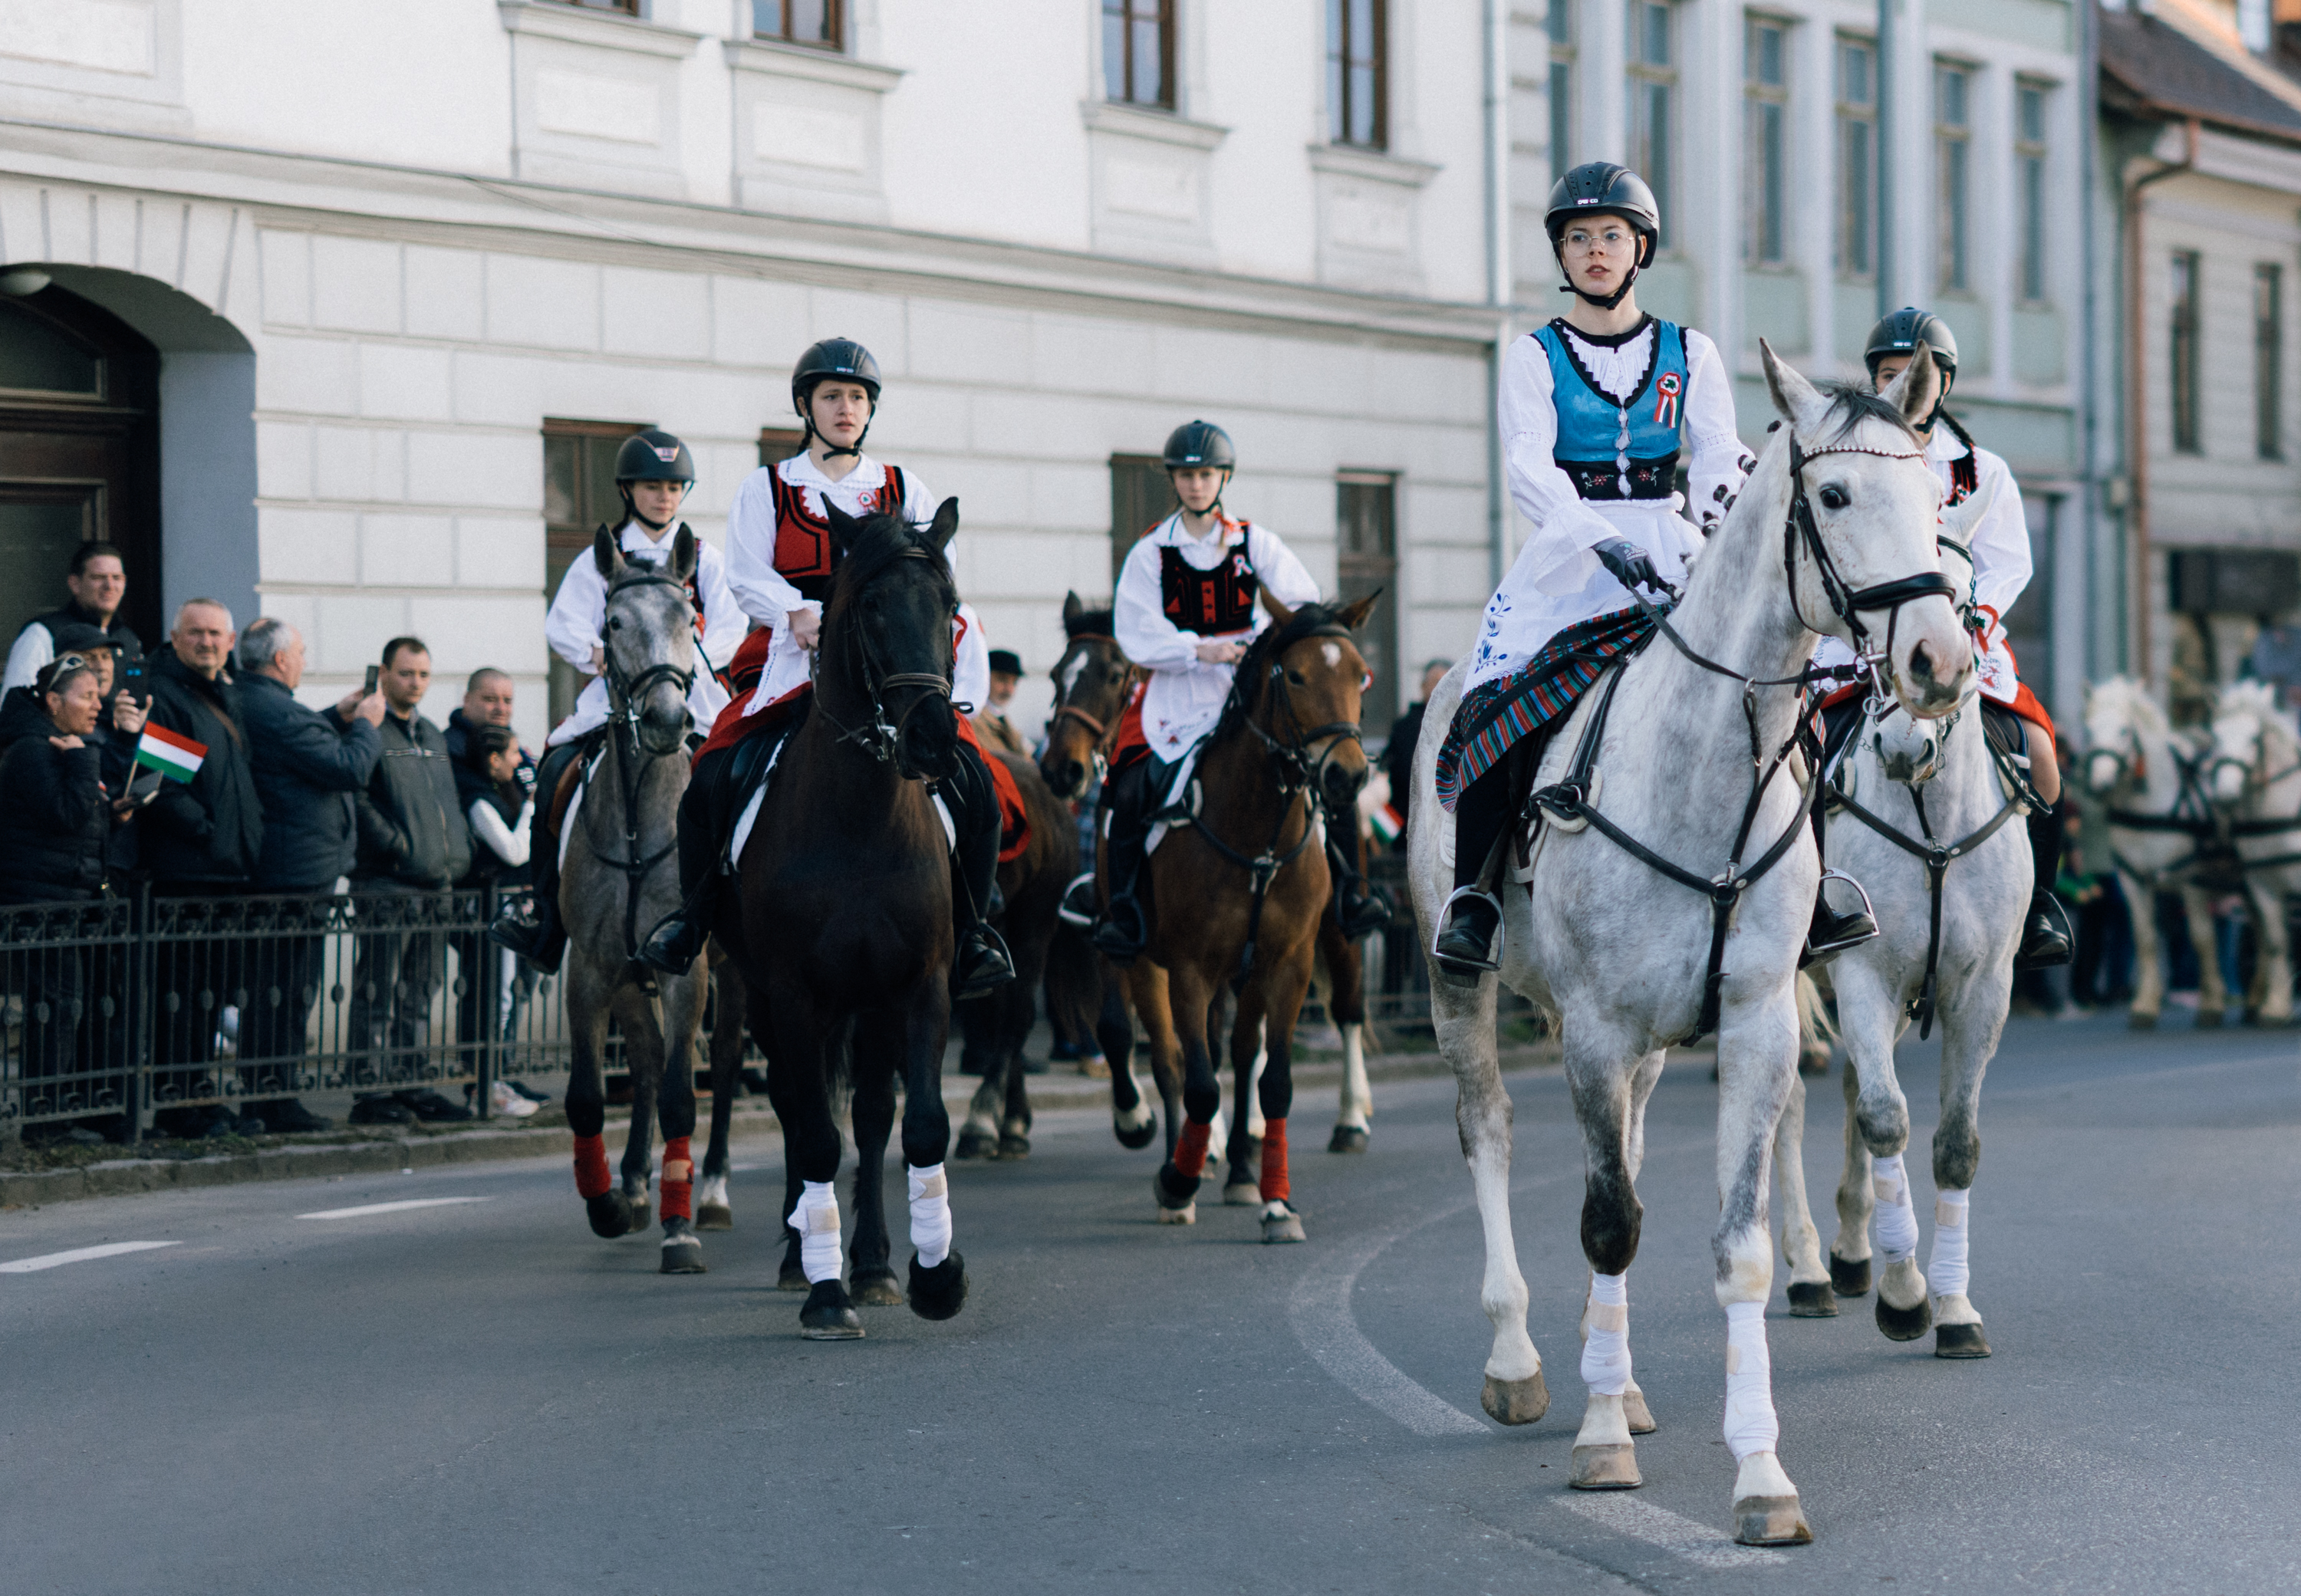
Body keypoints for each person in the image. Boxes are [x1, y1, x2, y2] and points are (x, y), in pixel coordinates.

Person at [1427, 163, 1777, 975]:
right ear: (1562, 252)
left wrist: (1726, 528)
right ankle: (1474, 896)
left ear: (1639, 249)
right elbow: (1528, 466)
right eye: (1579, 237)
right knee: (1498, 698)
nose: (1595, 250)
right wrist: (1599, 540)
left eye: (1612, 236)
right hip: (1567, 562)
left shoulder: (1690, 351)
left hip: (1670, 544)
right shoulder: (1533, 354)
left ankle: (1810, 882)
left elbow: (1717, 456)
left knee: (1775, 681)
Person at [634, 339, 1014, 997]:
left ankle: (974, 930)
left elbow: (931, 576)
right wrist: (794, 612)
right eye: (832, 396)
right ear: (805, 406)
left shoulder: (904, 487)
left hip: (889, 672)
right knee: (711, 776)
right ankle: (693, 919)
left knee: (979, 780)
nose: (846, 408)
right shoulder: (768, 487)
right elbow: (745, 574)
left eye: (858, 397)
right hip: (791, 662)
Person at [1814, 308, 2070, 969]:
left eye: (1916, 374)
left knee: (2042, 753)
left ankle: (2039, 902)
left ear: (1942, 384)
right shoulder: (1853, 458)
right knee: (1804, 749)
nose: (1901, 385)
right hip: (1866, 640)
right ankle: (1811, 899)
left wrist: (1974, 619)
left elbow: (2009, 561)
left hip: (1960, 636)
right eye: (1887, 374)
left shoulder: (1983, 470)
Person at [1088, 417, 1384, 961]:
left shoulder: (1256, 543)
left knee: (1326, 774)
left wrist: (1257, 642)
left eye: (1206, 475)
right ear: (1173, 480)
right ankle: (1123, 909)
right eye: (1186, 476)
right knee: (1129, 787)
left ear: (1224, 478)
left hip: (1252, 698)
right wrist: (1199, 649)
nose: (1196, 485)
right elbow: (1135, 631)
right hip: (1178, 701)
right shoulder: (1150, 552)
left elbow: (1303, 610)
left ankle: (1351, 893)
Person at [487, 431, 742, 971]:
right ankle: (543, 914)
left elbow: (732, 625)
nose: (664, 497)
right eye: (652, 486)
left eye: (673, 487)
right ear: (628, 490)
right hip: (617, 696)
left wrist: (689, 660)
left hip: (691, 694)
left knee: (737, 776)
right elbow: (563, 624)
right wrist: (596, 652)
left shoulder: (705, 558)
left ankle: (742, 903)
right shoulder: (600, 558)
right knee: (554, 768)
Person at [239, 617, 385, 1132]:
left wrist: (336, 717)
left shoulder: (257, 702)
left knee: (274, 990)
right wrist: (366, 724)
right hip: (296, 875)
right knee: (287, 991)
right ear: (281, 659)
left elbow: (297, 746)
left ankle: (267, 1095)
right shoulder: (279, 710)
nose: (303, 660)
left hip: (287, 869)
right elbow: (349, 768)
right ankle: (275, 1098)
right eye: (300, 652)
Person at [142, 598, 268, 1138]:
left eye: (216, 633)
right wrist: (209, 834)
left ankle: (199, 1095)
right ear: (175, 639)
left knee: (210, 996)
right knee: (182, 996)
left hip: (226, 872)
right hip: (187, 873)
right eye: (195, 633)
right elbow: (160, 787)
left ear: (232, 641)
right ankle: (179, 1105)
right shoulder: (167, 694)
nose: (206, 642)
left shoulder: (226, 695)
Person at [0, 654, 133, 1139]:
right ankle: (45, 1122)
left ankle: (69, 1109)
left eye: (99, 696)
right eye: (87, 696)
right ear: (54, 701)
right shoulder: (33, 750)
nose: (98, 705)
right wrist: (83, 760)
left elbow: (75, 826)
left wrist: (111, 815)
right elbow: (64, 815)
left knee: (71, 1008)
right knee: (55, 1010)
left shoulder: (60, 746)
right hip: (43, 904)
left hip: (69, 899)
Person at [348, 637, 473, 1124]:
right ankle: (372, 1091)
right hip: (389, 882)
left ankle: (412, 1084)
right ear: (383, 674)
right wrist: (396, 845)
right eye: (405, 673)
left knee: (421, 991)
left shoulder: (433, 735)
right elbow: (356, 798)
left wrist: (457, 850)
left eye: (423, 674)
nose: (415, 683)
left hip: (437, 883)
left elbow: (447, 803)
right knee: (378, 991)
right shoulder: (369, 731)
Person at [459, 723, 542, 1117]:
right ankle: (485, 1086)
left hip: (516, 906)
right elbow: (513, 851)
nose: (519, 760)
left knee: (510, 991)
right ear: (493, 760)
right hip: (494, 909)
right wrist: (530, 809)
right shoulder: (478, 800)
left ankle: (496, 1078)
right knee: (498, 995)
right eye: (512, 753)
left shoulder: (507, 792)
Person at [3, 541, 142, 691]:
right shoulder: (42, 633)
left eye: (116, 578)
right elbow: (16, 702)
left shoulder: (128, 639)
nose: (110, 586)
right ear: (75, 584)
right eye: (98, 577)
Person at [1382, 659, 1453, 836]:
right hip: (1408, 825)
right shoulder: (1404, 728)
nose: (1440, 688)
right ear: (1423, 686)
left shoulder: (1460, 725)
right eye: (1436, 682)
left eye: (1446, 683)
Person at [975, 648, 1031, 757]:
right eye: (1002, 679)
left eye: (1014, 682)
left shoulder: (1004, 721)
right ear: (984, 677)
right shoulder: (973, 719)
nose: (1009, 689)